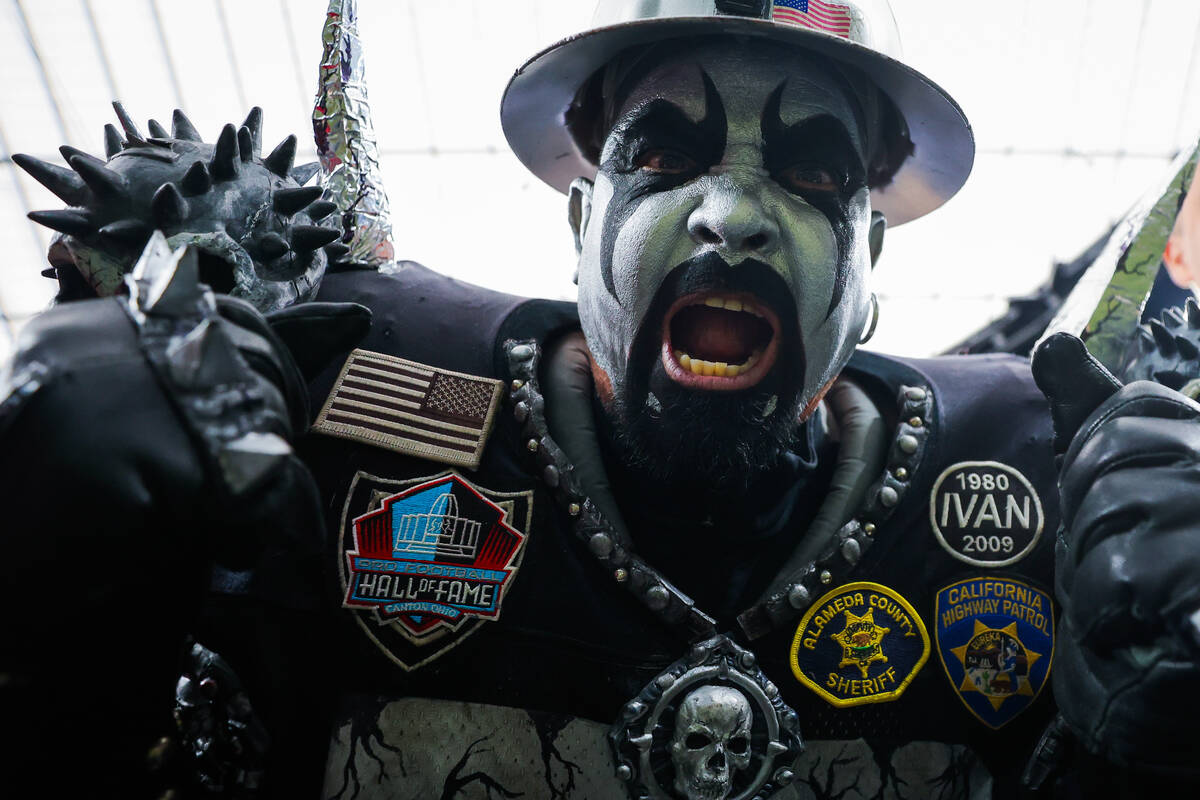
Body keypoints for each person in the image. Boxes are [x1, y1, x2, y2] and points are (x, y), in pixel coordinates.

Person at [3, 1, 1200, 798]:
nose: (731, 218)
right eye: (664, 155)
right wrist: (71, 625)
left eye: (813, 171)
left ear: (869, 264)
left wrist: (1137, 740)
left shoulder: (1055, 504)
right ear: (582, 224)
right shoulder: (322, 398)